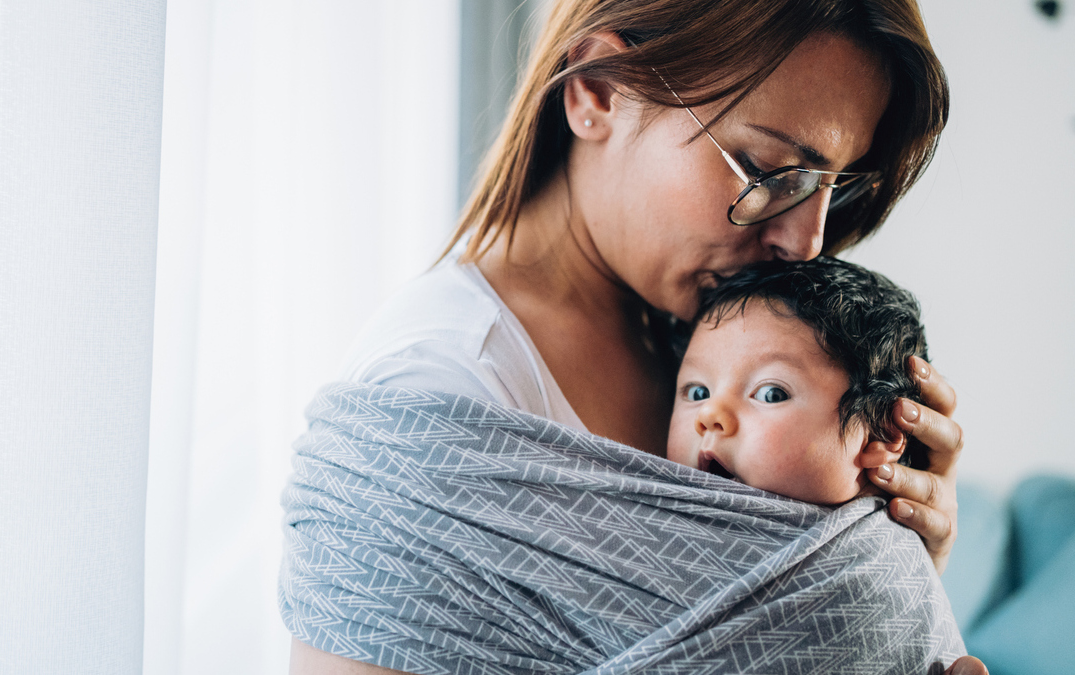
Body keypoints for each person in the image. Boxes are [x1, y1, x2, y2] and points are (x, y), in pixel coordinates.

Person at [290, 0, 983, 672]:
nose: (807, 242)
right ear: (599, 89)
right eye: (772, 173)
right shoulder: (436, 389)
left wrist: (884, 570)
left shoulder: (723, 345)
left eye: (836, 187)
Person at [666, 256, 929, 505]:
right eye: (698, 392)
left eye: (772, 393)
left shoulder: (878, 549)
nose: (709, 413)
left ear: (879, 435)